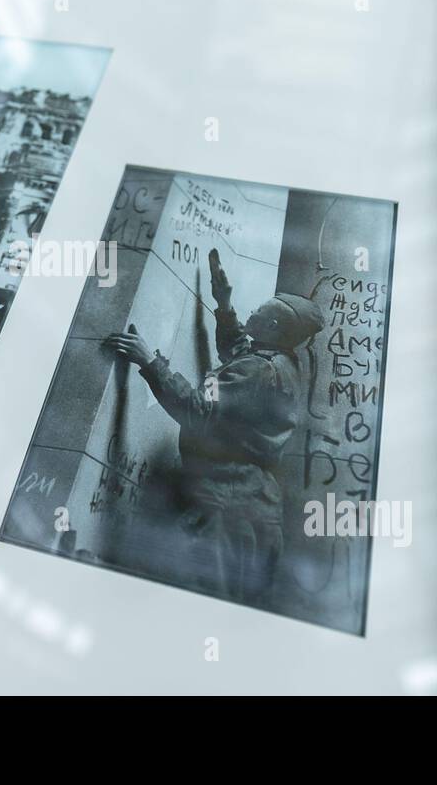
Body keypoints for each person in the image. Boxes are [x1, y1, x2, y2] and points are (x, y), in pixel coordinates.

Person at [104, 248, 322, 606]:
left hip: (228, 503)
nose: (252, 312)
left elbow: (199, 413)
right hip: (256, 500)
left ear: (272, 327)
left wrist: (149, 361)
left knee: (207, 603)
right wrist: (224, 305)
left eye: (259, 312)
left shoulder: (258, 371)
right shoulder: (283, 363)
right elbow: (239, 353)